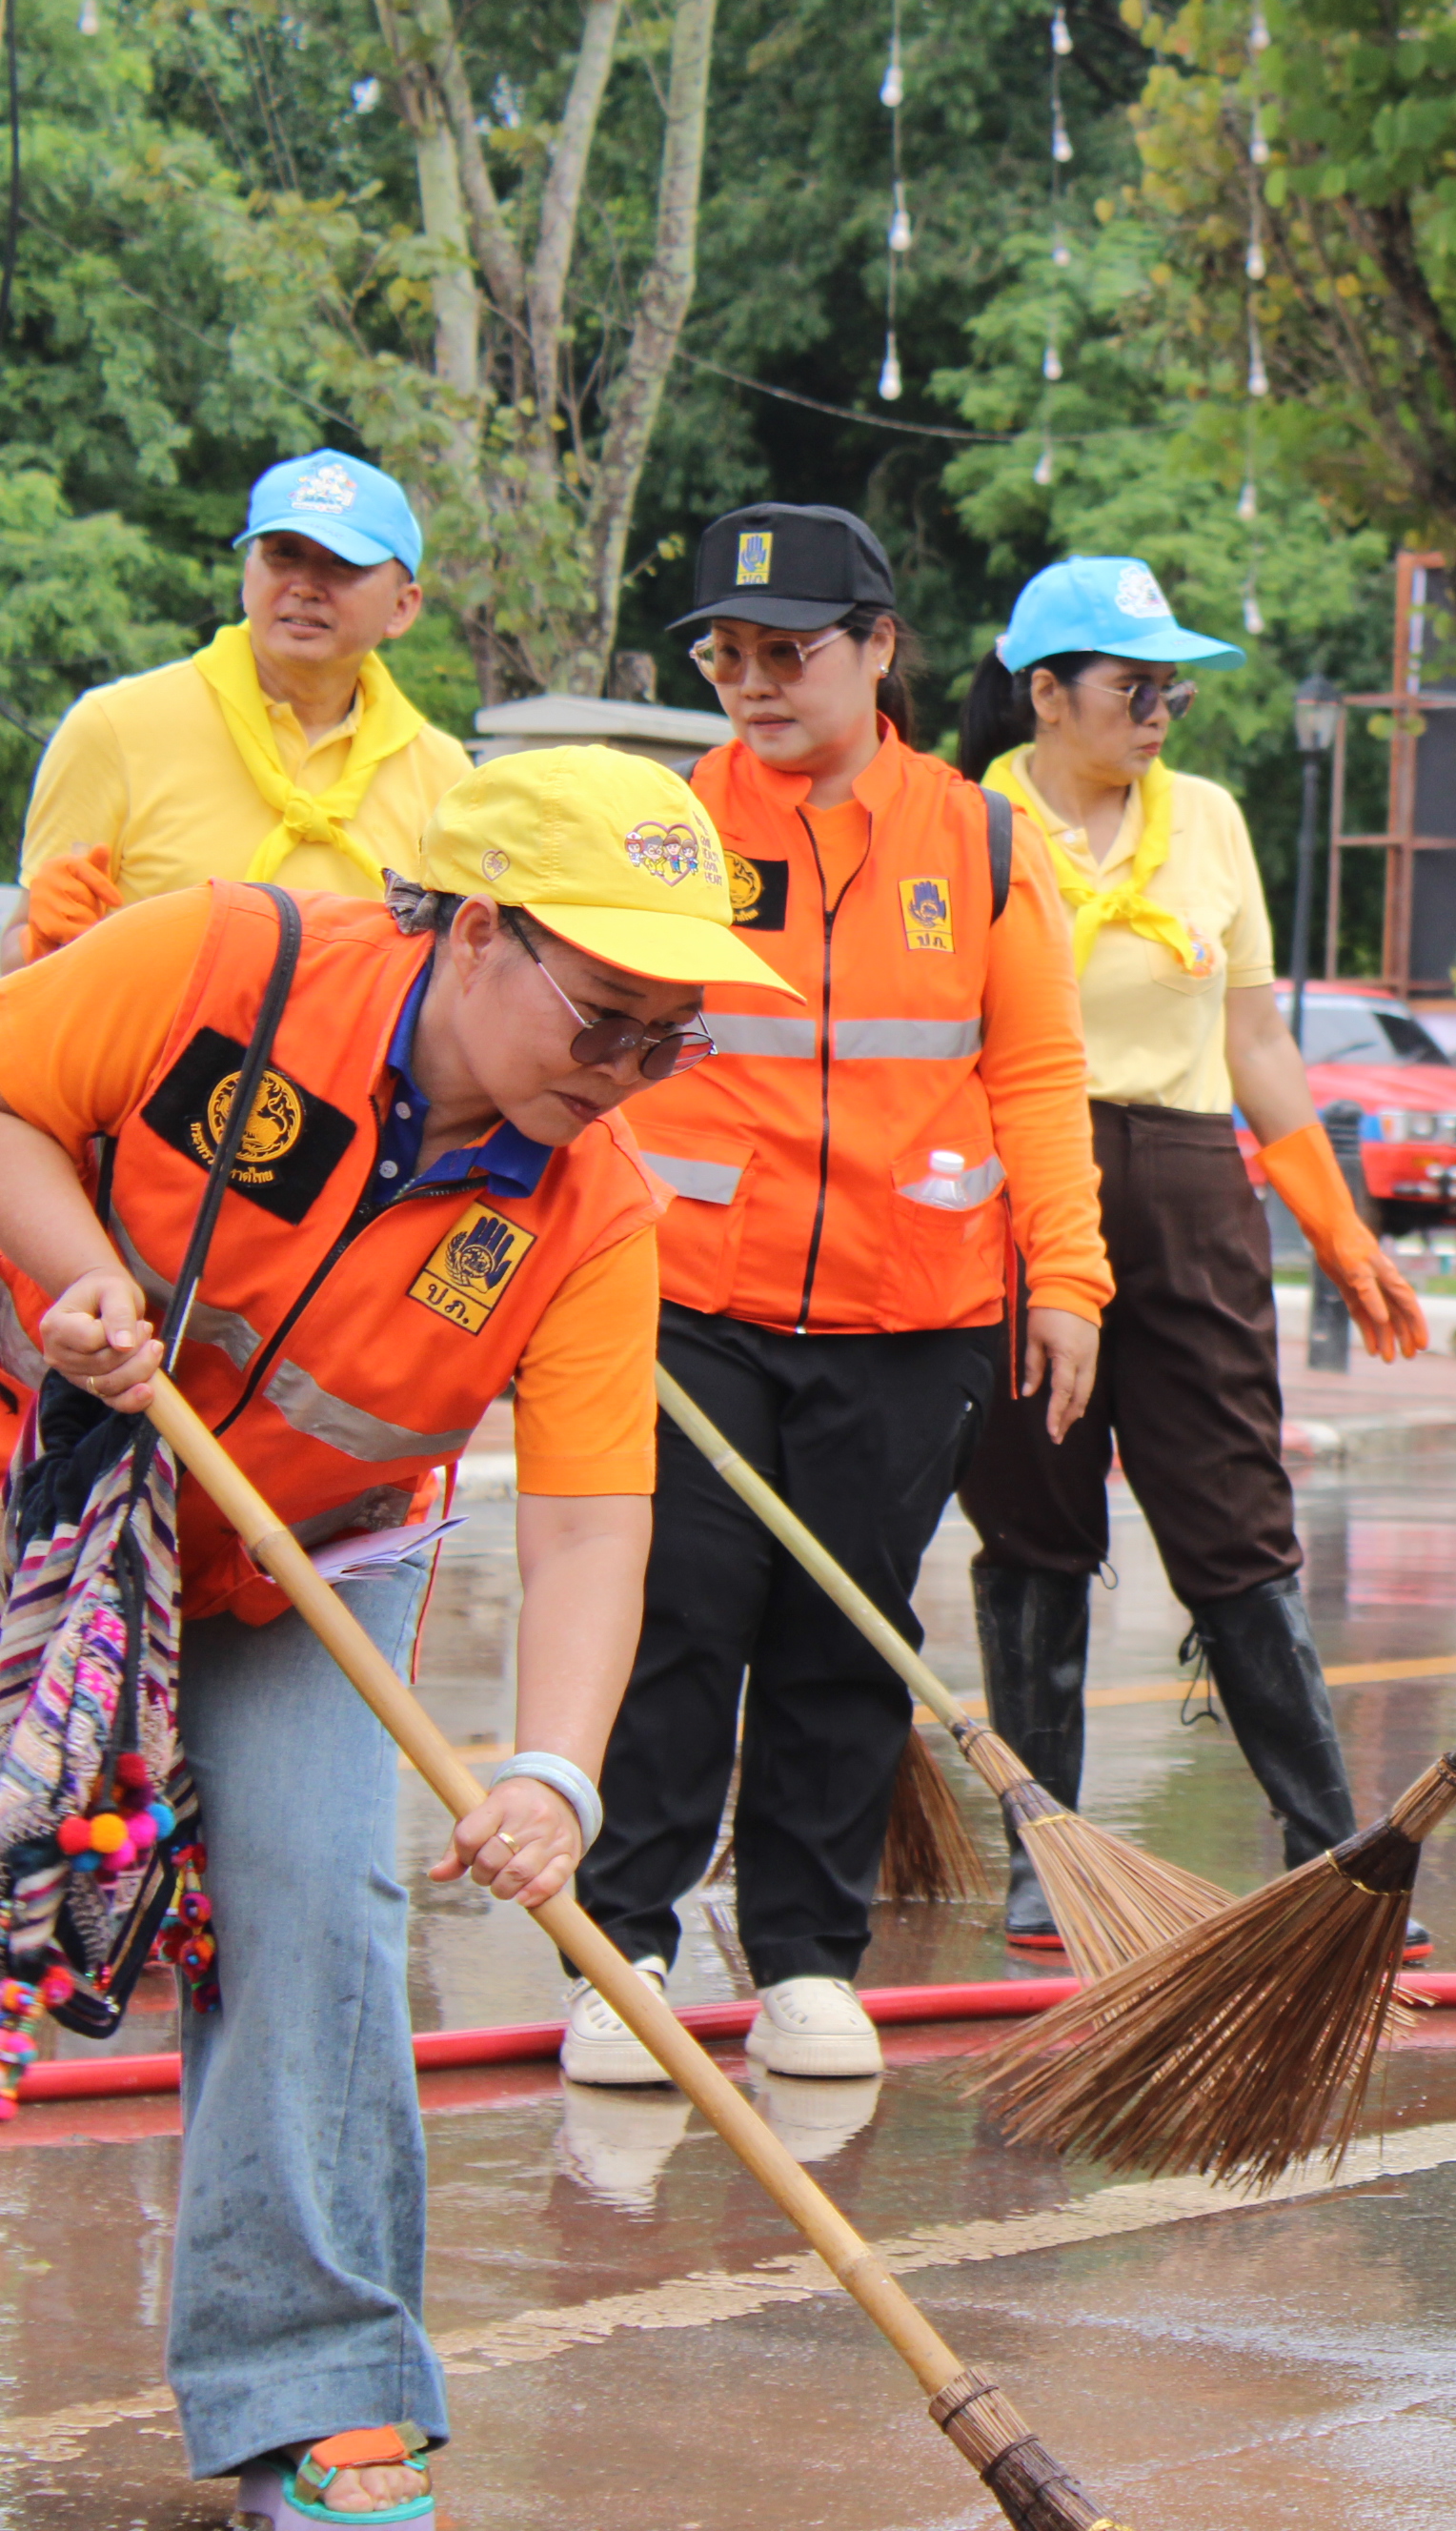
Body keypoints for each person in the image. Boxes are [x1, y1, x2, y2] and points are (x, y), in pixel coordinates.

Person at [0, 746, 769, 2525]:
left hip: (303, 1564)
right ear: (480, 931)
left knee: (320, 1895)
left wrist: (555, 1774)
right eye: (607, 1019)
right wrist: (73, 1269)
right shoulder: (219, 966)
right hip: (43, 1472)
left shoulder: (590, 1212)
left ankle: (324, 2391)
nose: (629, 1072)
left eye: (673, 1038)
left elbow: (587, 1518)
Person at [561, 504, 1109, 2091]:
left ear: (879, 652)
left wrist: (1065, 1277)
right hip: (685, 1302)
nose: (752, 682)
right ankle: (632, 1946)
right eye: (726, 655)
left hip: (913, 1308)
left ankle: (807, 1961)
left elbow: (1037, 1073)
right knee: (675, 1619)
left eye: (786, 652)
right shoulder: (663, 833)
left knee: (843, 1636)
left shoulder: (981, 843)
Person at [949, 556, 1430, 1954]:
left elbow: (1258, 1040)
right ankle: (1049, 1848)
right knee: (1031, 1512)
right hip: (1018, 1182)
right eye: (1131, 685)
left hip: (1183, 1181)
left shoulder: (1209, 821)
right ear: (1046, 694)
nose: (1161, 710)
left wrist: (1341, 1231)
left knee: (1234, 1509)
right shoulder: (968, 823)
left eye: (1174, 686)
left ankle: (1327, 1846)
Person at [13, 450, 470, 966]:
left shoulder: (445, 775)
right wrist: (37, 942)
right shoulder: (113, 727)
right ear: (246, 575)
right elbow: (18, 970)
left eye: (342, 564)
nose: (304, 586)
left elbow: (459, 985)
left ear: (403, 606)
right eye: (283, 554)